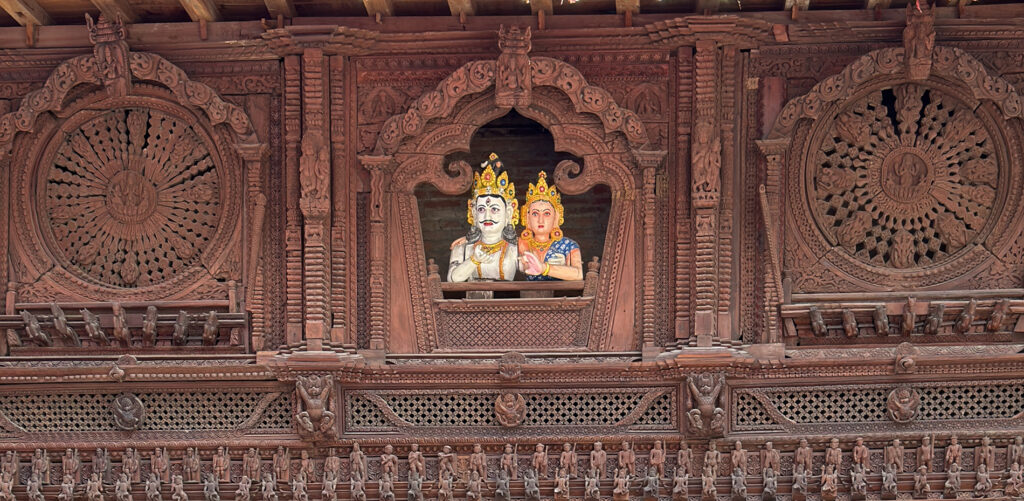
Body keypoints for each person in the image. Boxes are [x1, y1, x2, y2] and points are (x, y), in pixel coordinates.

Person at [518, 171, 582, 281]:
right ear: (527, 218)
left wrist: (545, 268)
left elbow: (578, 274)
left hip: (560, 296)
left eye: (546, 214)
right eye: (535, 214)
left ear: (556, 217)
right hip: (527, 295)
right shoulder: (520, 243)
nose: (540, 220)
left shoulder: (569, 245)